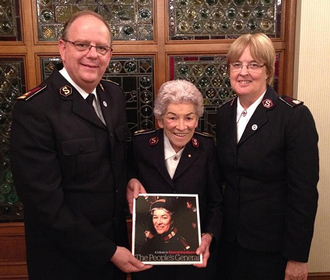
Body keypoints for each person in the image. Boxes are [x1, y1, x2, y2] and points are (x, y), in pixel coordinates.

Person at [9, 10, 150, 280]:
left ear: (110, 54)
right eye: (82, 45)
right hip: (64, 261)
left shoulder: (114, 95)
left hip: (115, 253)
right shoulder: (35, 110)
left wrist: (131, 177)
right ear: (62, 48)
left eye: (101, 47)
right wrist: (107, 251)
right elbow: (45, 205)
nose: (92, 54)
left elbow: (117, 156)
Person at [216, 33, 319, 280]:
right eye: (236, 64)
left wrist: (297, 257)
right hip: (229, 244)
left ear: (268, 70)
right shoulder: (223, 115)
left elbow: (303, 193)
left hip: (271, 249)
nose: (243, 72)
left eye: (253, 65)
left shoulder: (293, 116)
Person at [127, 79, 223, 280]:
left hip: (194, 258)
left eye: (189, 118)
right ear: (160, 120)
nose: (182, 127)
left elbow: (216, 202)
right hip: (150, 261)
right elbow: (125, 177)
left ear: (197, 120)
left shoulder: (206, 148)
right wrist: (131, 180)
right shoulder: (141, 144)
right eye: (172, 118)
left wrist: (209, 236)